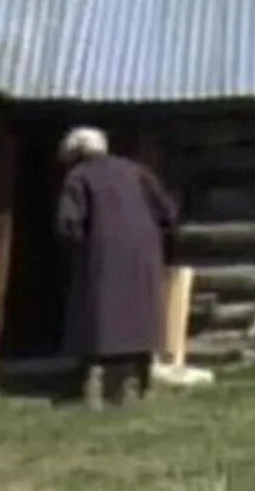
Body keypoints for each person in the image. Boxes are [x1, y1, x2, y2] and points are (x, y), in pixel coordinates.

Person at [56, 126, 177, 409]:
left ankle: (99, 390)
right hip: (144, 257)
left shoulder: (79, 176)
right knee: (139, 317)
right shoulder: (137, 171)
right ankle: (139, 384)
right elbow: (167, 211)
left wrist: (77, 251)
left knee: (103, 319)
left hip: (101, 258)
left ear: (76, 153)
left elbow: (68, 224)